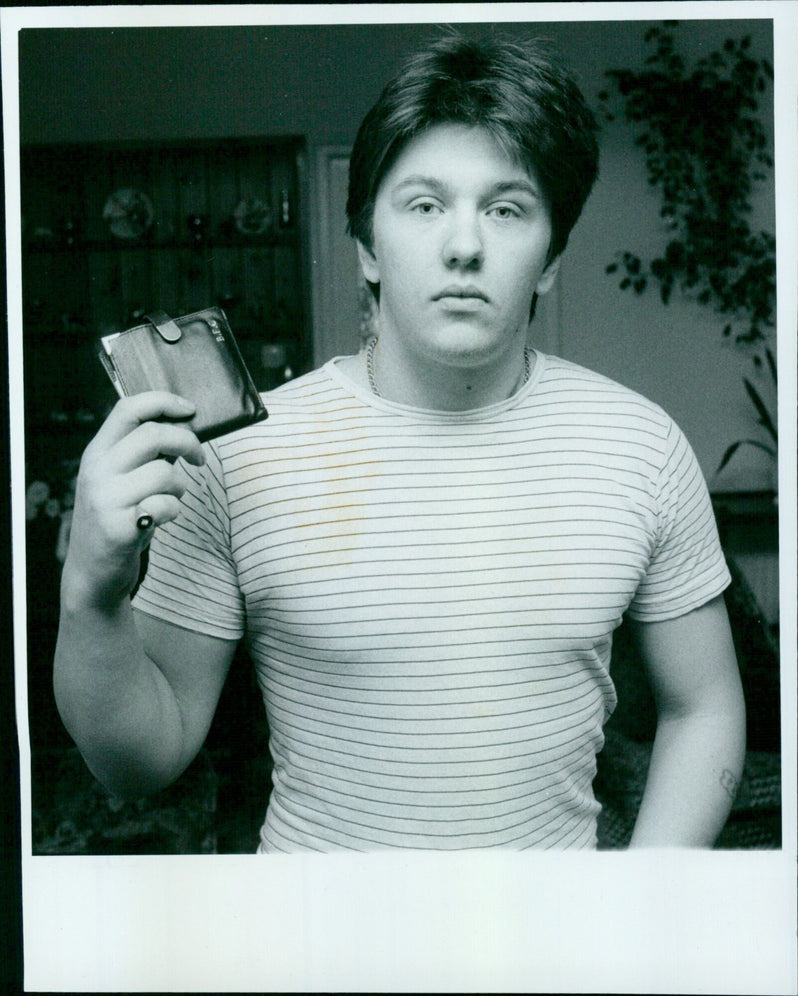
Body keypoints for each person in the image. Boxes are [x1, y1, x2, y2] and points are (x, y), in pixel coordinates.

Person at [54, 32, 746, 851]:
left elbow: (703, 707)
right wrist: (90, 591)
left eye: (506, 208)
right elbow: (144, 759)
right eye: (424, 204)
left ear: (551, 258)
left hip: (558, 950)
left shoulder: (642, 446)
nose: (463, 244)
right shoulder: (236, 457)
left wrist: (639, 908)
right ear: (366, 247)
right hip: (316, 955)